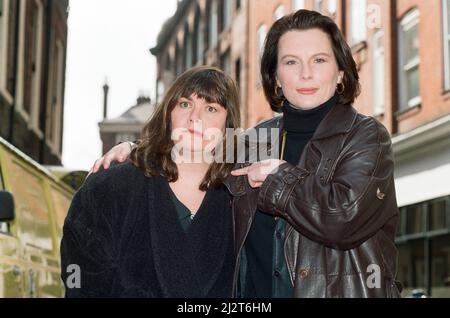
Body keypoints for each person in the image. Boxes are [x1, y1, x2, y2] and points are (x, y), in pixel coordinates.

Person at [91, 10, 401, 298]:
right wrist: (135, 151)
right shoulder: (256, 140)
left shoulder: (367, 136)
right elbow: (192, 150)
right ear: (276, 76)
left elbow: (342, 219)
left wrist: (279, 177)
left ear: (341, 72)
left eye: (319, 60)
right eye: (291, 62)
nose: (305, 73)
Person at [60, 66, 240, 297]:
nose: (195, 117)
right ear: (168, 114)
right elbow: (79, 278)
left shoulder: (242, 198)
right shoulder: (109, 189)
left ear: (229, 126)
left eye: (211, 108)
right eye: (185, 104)